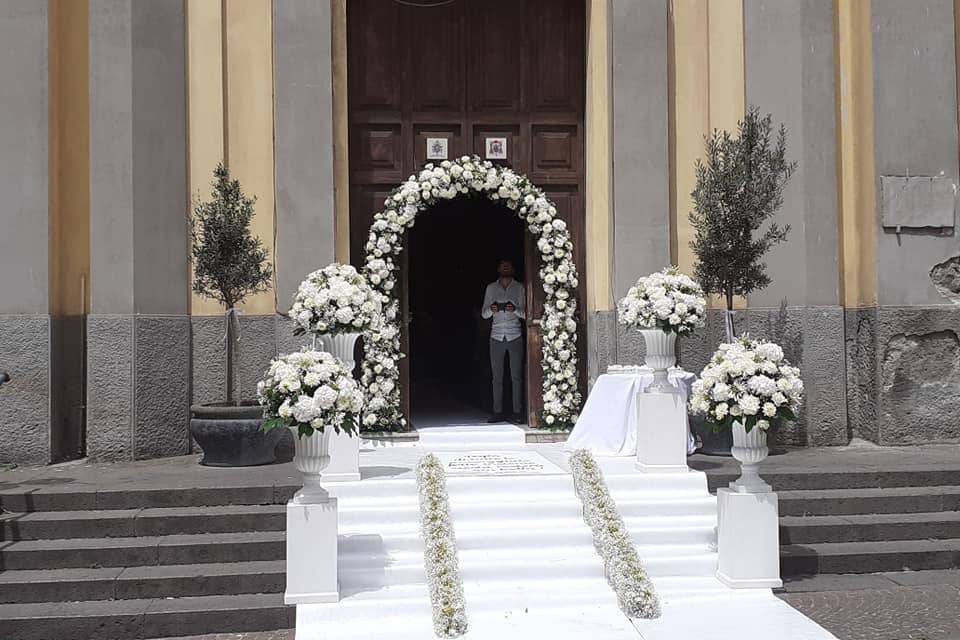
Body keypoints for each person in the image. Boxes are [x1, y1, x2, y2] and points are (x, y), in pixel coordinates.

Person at [481, 258, 525, 424]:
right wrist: (492, 309)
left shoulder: (519, 287)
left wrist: (515, 310)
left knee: (516, 376)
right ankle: (497, 411)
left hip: (515, 335)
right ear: (498, 268)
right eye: (502, 264)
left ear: (512, 268)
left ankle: (517, 412)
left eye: (508, 264)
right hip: (496, 335)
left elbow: (527, 314)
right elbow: (483, 314)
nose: (505, 267)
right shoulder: (491, 288)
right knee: (497, 377)